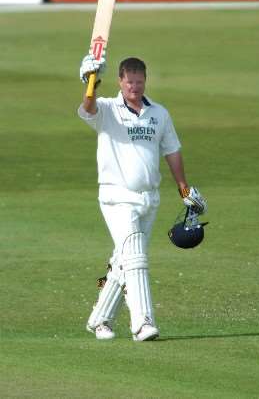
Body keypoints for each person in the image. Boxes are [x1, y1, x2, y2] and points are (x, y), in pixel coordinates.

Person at [78, 52, 207, 341]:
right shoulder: (108, 109)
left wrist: (184, 190)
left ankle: (100, 319)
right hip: (116, 196)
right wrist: (91, 84)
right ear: (120, 82)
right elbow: (87, 109)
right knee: (135, 255)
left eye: (138, 82)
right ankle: (143, 323)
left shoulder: (159, 113)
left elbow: (171, 150)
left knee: (125, 260)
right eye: (129, 83)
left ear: (145, 81)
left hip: (149, 198)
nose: (134, 88)